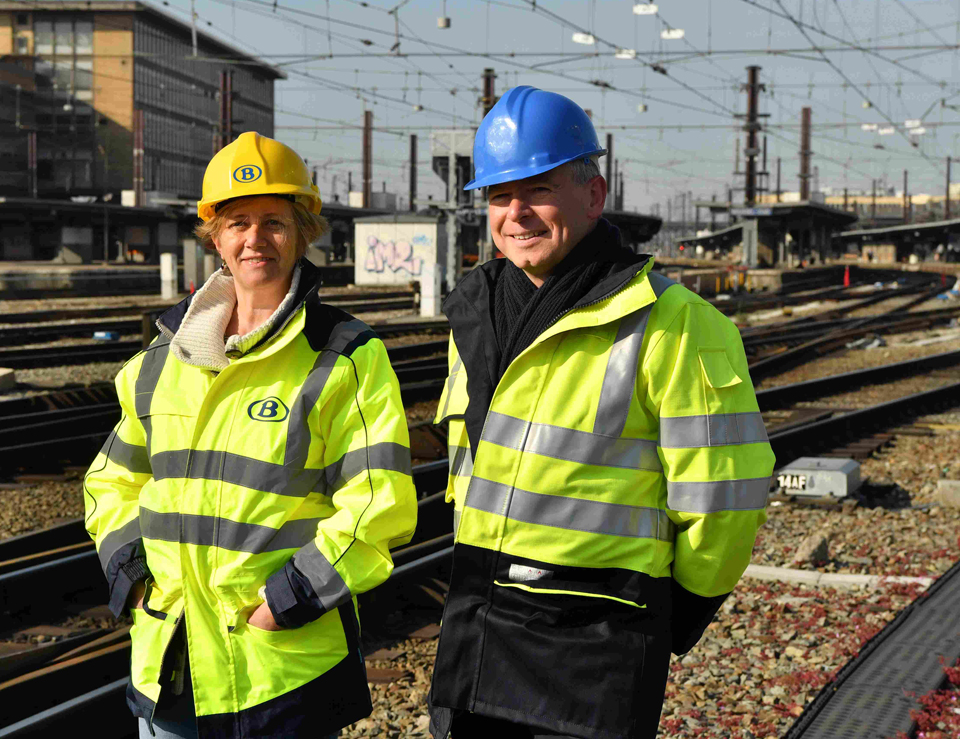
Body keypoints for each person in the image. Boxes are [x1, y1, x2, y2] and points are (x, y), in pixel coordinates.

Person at [427, 86, 774, 739]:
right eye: (501, 196)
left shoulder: (676, 325)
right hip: (475, 643)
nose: (516, 213)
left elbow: (724, 501)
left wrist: (669, 616)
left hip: (591, 659)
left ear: (594, 195)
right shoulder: (473, 315)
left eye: (539, 189)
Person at [84, 132, 418, 739]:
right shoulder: (162, 360)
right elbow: (111, 480)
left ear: (303, 231)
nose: (254, 239)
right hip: (171, 663)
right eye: (237, 222)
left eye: (273, 222)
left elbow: (379, 505)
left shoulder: (343, 356)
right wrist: (130, 571)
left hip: (280, 668)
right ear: (214, 234)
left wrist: (287, 601)